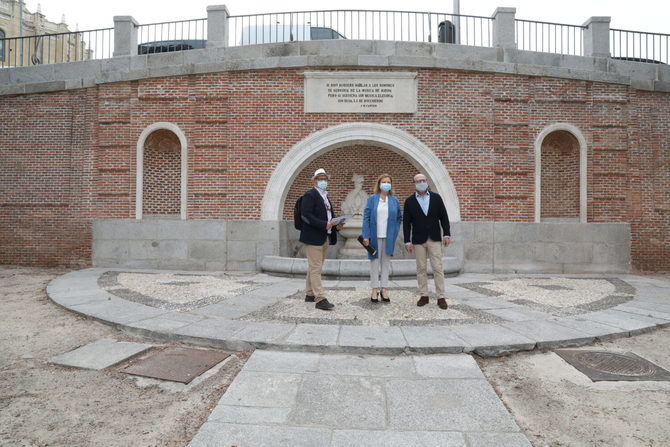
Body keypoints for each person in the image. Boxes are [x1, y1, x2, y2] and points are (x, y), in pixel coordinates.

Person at [403, 173, 451, 309]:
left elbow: (444, 217)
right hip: (418, 240)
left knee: (437, 268)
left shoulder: (436, 198)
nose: (421, 182)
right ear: (414, 183)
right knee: (421, 269)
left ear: (427, 182)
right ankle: (424, 295)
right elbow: (406, 223)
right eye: (418, 181)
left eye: (423, 180)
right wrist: (407, 241)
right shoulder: (409, 201)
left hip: (434, 238)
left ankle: (441, 297)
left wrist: (447, 234)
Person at [299, 168, 343, 310]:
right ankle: (320, 299)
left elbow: (328, 217)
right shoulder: (310, 195)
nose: (323, 181)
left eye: (325, 179)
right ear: (314, 180)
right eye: (320, 178)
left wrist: (336, 225)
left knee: (314, 267)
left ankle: (310, 294)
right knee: (316, 268)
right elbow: (306, 215)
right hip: (313, 237)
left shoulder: (325, 197)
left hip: (324, 237)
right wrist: (324, 224)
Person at [362, 174, 402, 304]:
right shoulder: (372, 199)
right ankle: (374, 289)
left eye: (388, 182)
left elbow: (398, 218)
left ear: (391, 184)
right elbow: (366, 217)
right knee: (374, 264)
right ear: (379, 184)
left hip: (388, 237)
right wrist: (366, 235)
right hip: (374, 236)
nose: (386, 184)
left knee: (385, 264)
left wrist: (395, 231)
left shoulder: (394, 200)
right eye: (383, 182)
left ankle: (384, 289)